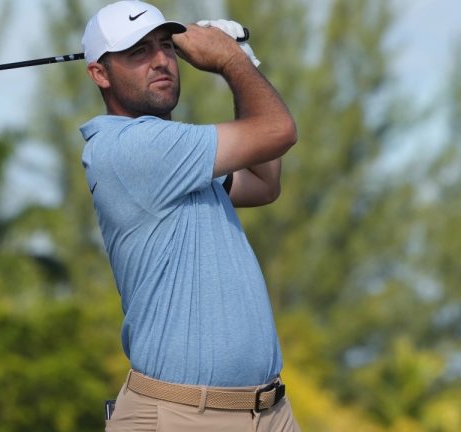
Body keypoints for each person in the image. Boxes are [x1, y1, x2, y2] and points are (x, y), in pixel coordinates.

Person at [79, 1, 300, 430]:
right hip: (183, 416)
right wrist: (229, 59)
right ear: (99, 73)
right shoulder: (132, 149)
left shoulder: (175, 159)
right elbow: (278, 131)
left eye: (166, 45)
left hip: (268, 413)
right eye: (137, 51)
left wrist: (241, 62)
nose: (161, 60)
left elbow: (264, 182)